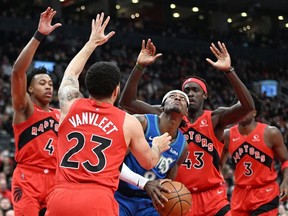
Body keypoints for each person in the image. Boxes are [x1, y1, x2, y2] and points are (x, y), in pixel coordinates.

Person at [45, 13, 171, 216]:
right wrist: (156, 146)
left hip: (61, 197)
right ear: (116, 91)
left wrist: (91, 43)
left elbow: (70, 75)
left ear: (88, 87)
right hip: (98, 200)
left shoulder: (70, 104)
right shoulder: (128, 122)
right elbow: (149, 162)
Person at [119, 40, 255, 215]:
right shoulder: (167, 114)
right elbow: (127, 102)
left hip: (212, 196)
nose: (190, 93)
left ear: (205, 94)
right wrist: (139, 66)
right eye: (186, 90)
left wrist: (229, 71)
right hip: (178, 195)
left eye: (195, 90)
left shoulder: (215, 118)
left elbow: (247, 107)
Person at [10, 7, 61, 216]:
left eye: (50, 83)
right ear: (30, 88)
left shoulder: (60, 114)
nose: (48, 86)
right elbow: (17, 71)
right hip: (28, 177)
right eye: (42, 83)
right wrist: (39, 35)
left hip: (56, 179)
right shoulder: (25, 109)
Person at [116, 88, 189, 215]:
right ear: (161, 106)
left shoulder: (183, 146)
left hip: (147, 202)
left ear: (186, 112)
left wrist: (174, 201)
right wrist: (143, 183)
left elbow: (167, 183)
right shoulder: (142, 122)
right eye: (172, 96)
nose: (177, 98)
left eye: (182, 98)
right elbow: (115, 162)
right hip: (120, 194)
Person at [222, 92, 288, 215]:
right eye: (239, 108)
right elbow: (218, 165)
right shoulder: (227, 135)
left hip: (265, 193)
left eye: (246, 108)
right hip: (240, 194)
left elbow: (285, 160)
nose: (242, 111)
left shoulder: (271, 133)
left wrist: (286, 181)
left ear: (254, 112)